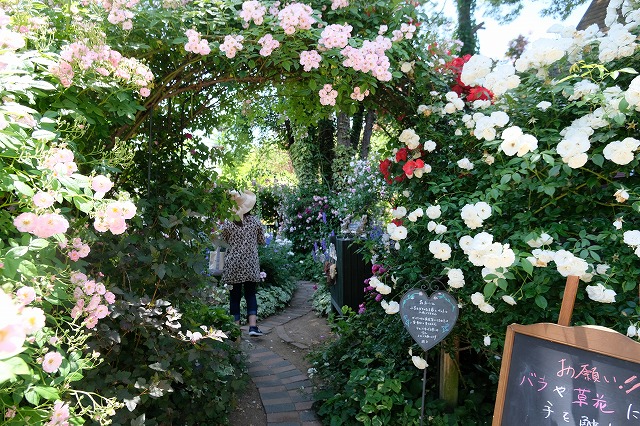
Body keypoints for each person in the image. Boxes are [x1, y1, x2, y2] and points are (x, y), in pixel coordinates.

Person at [220, 189, 266, 337]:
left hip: (233, 263)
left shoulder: (228, 223)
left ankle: (235, 329)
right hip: (251, 263)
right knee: (251, 294)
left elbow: (223, 241)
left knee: (234, 296)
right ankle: (253, 327)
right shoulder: (255, 222)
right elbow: (262, 241)